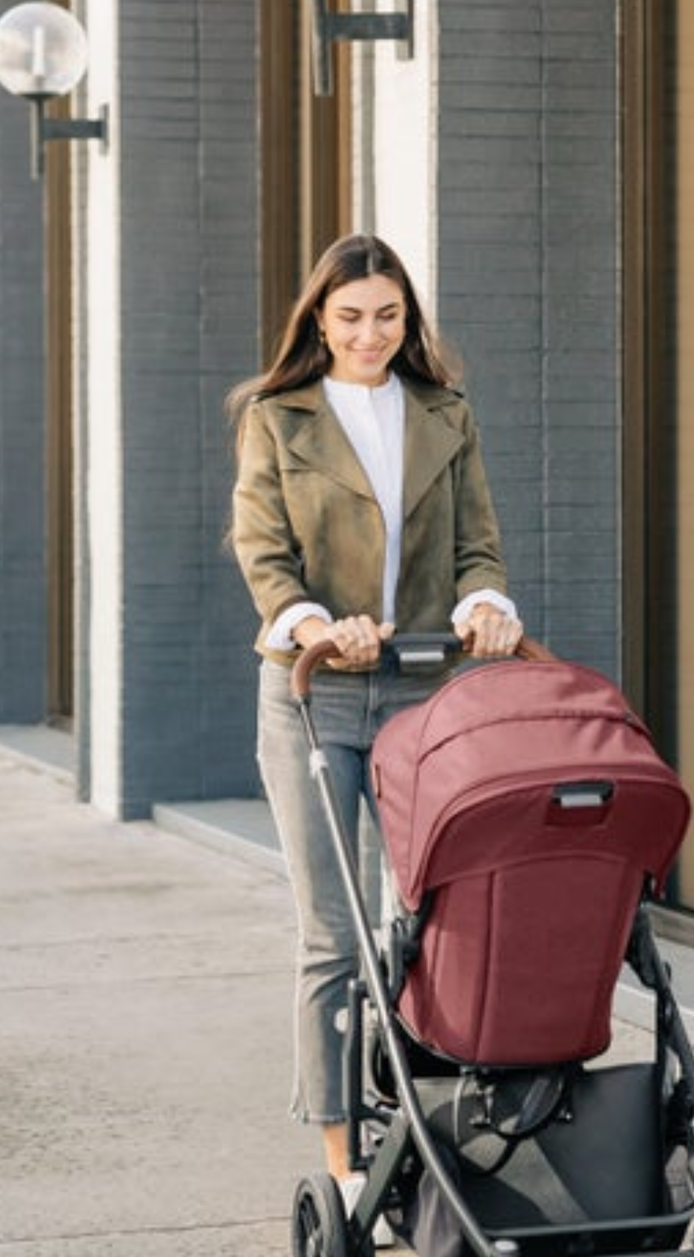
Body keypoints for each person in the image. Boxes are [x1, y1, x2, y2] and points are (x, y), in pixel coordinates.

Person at [228, 233, 522, 1197]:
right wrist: (315, 624)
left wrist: (485, 605)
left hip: (425, 692)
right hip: (314, 691)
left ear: (409, 321)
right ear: (319, 318)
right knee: (333, 932)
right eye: (350, 316)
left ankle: (431, 1118)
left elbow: (477, 544)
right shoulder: (279, 418)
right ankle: (343, 1157)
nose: (370, 333)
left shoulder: (443, 412)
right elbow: (263, 553)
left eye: (387, 316)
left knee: (429, 911)